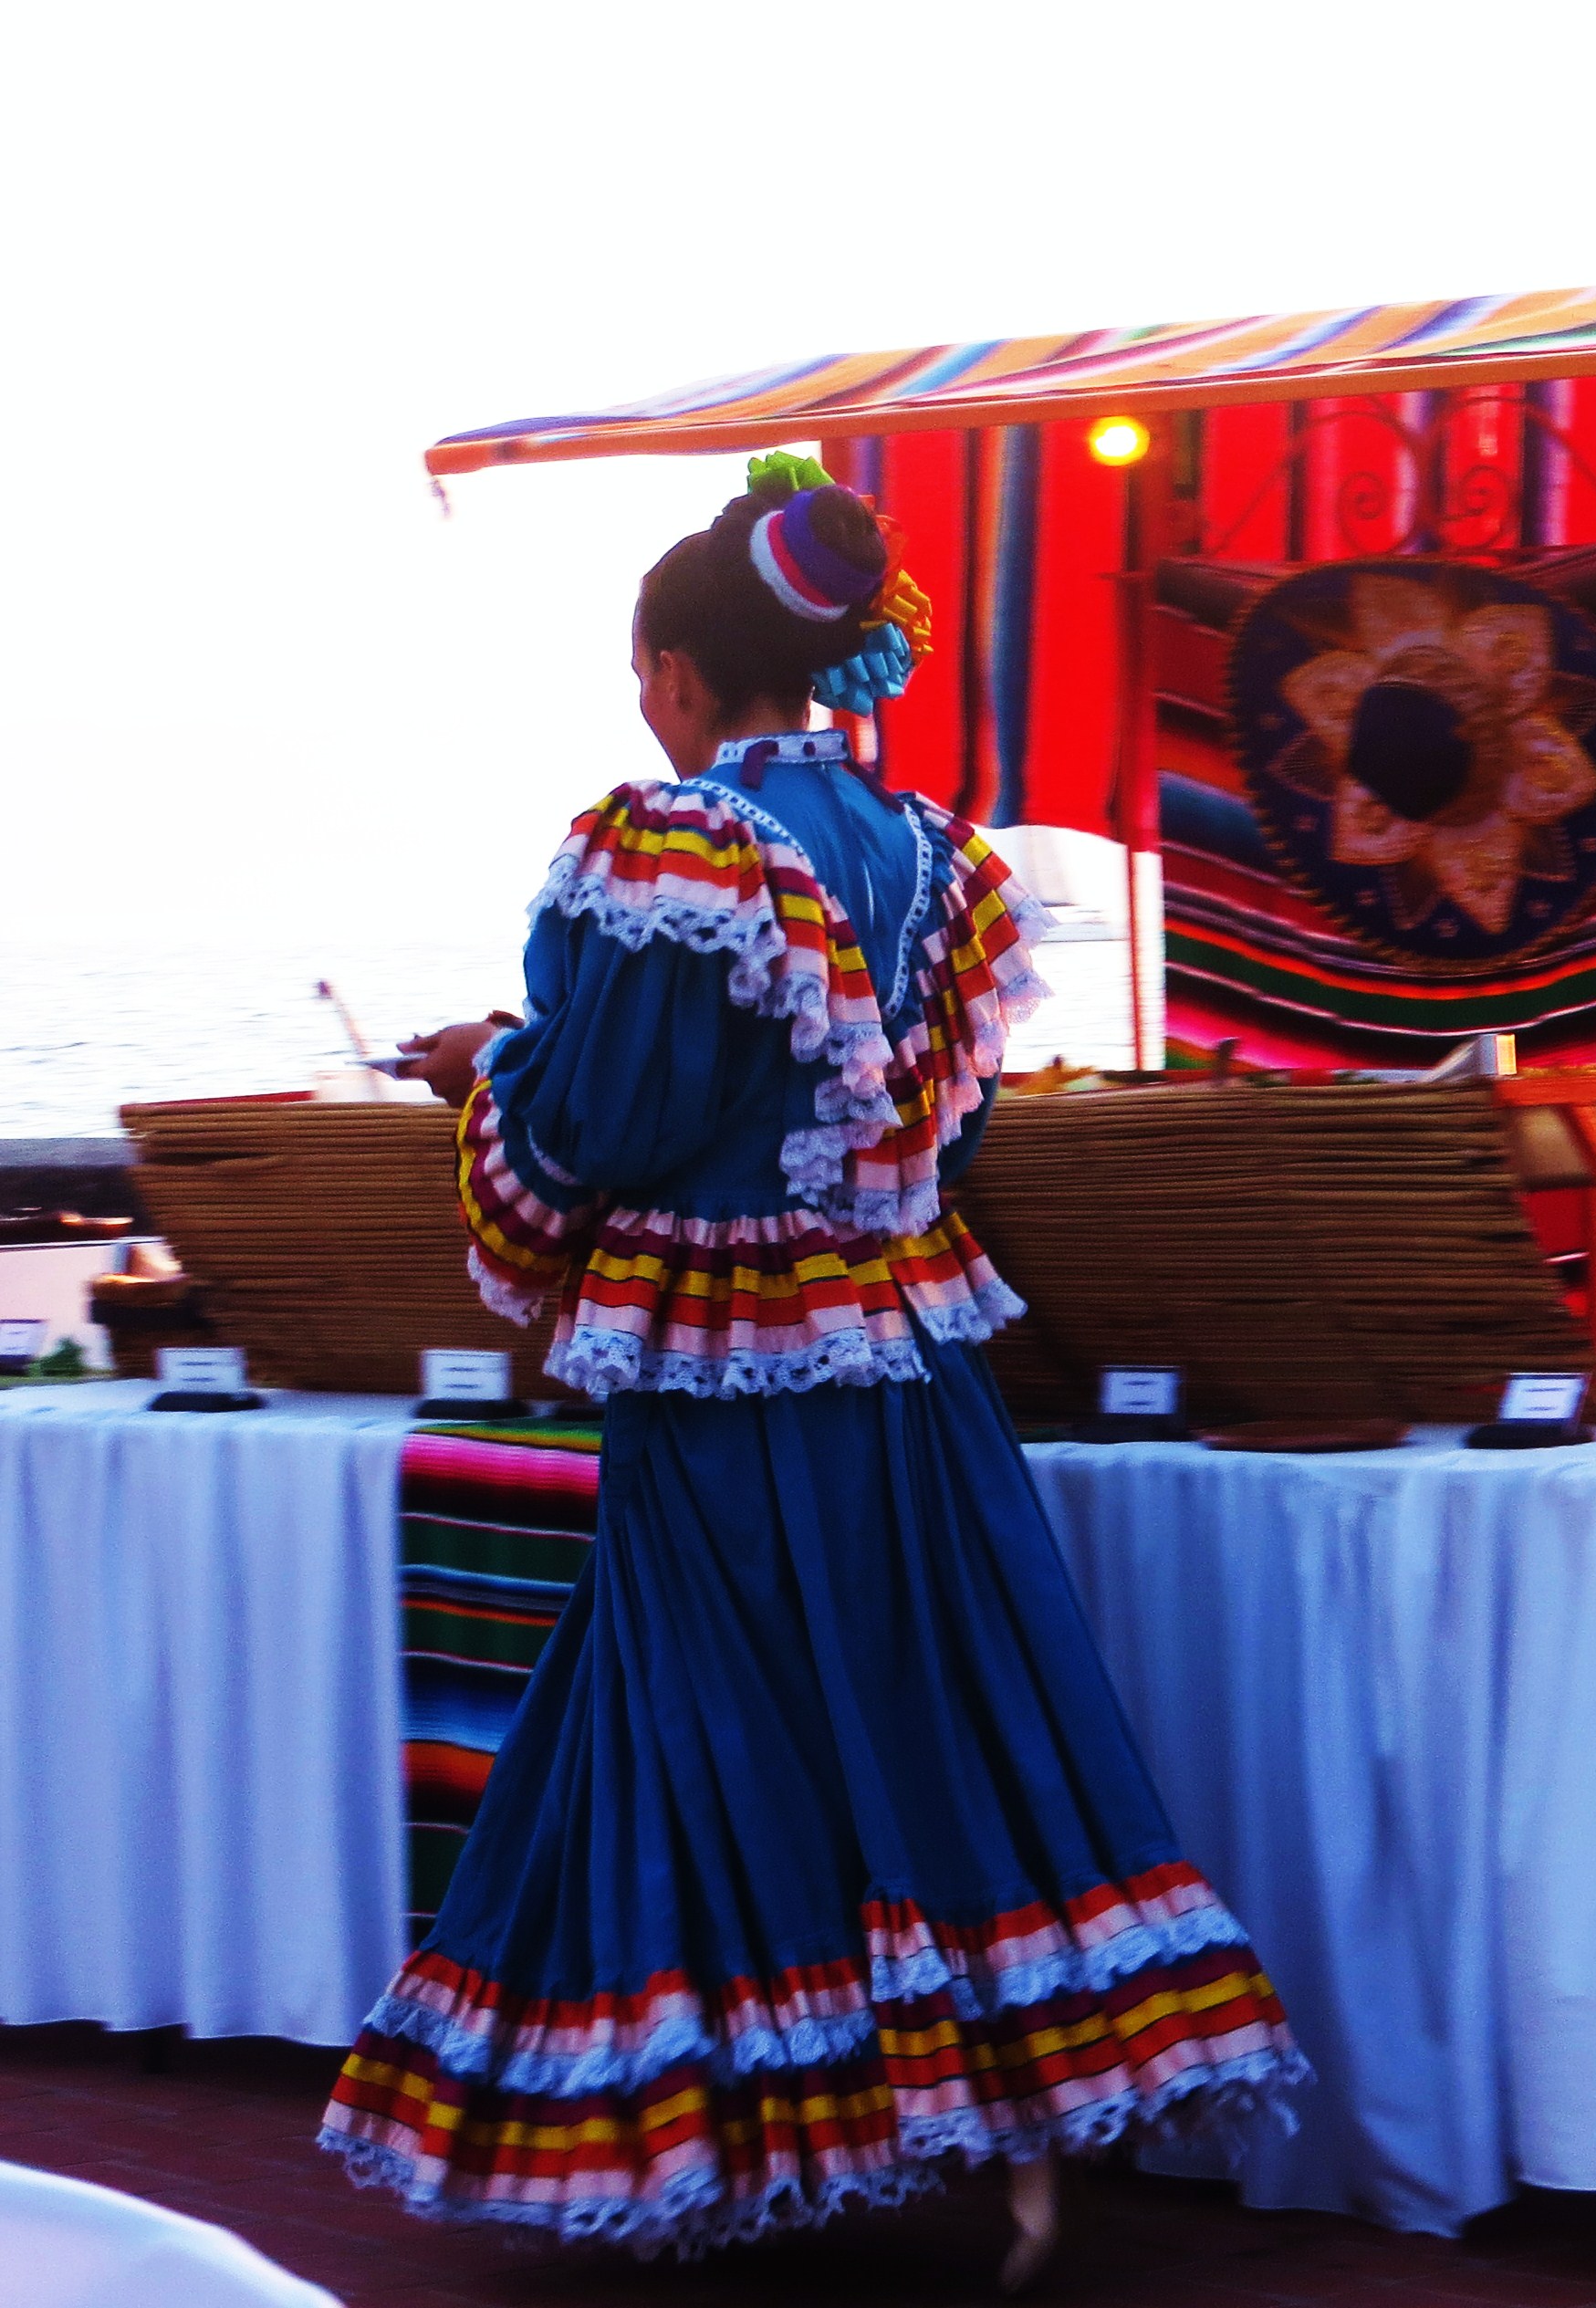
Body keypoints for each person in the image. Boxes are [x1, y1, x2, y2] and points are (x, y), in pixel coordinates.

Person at [317, 456, 1302, 2286]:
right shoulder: (944, 860)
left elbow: (603, 1115)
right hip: (907, 1369)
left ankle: (732, 2129)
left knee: (710, 1718)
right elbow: (949, 1123)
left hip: (722, 1385)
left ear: (682, 674)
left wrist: (490, 1068)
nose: (643, 704)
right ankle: (1017, 2140)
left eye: (643, 673)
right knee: (940, 1704)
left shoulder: (670, 846)